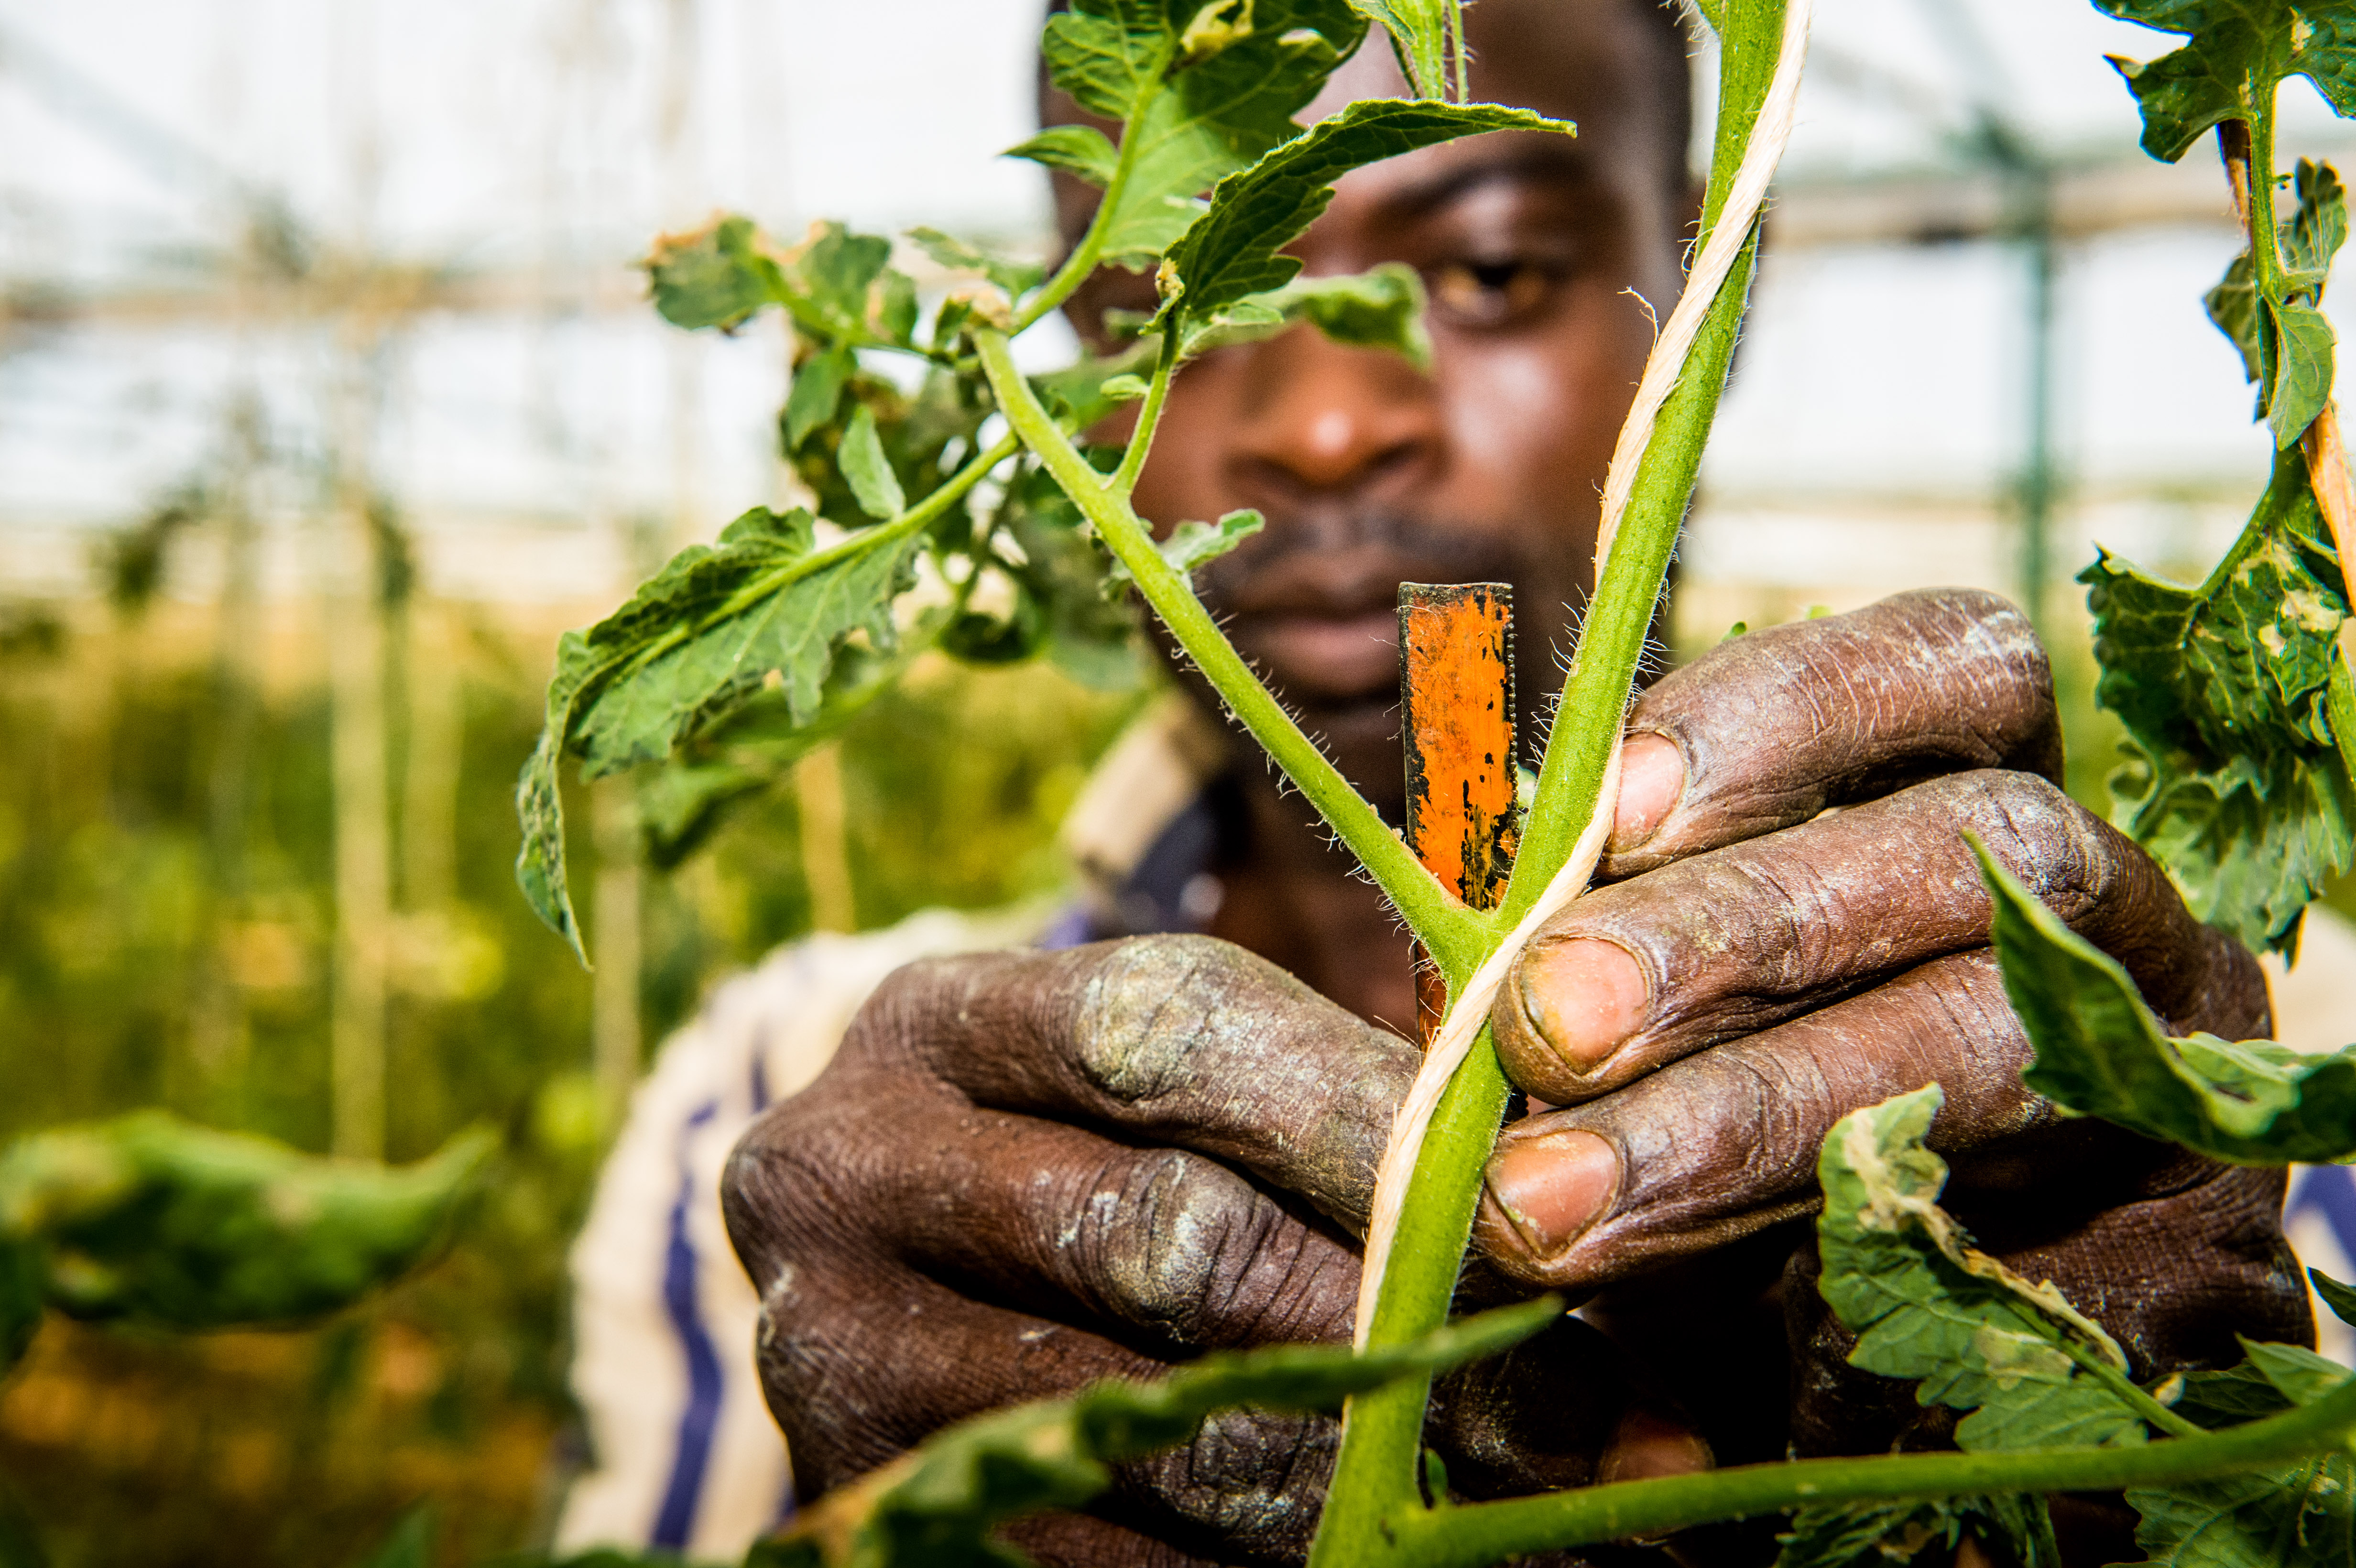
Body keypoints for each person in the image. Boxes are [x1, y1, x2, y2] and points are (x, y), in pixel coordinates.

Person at [555, 2, 2334, 1563]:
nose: (1327, 421)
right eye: (1177, 301)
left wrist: (2129, 1471)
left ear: (1713, 282)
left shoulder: (2272, 1104)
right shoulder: (773, 1112)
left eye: (1485, 273)